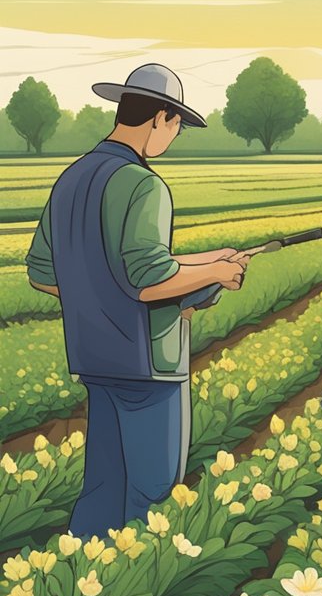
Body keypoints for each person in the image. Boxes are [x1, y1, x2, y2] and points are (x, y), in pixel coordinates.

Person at [24, 63, 250, 537]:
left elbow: (44, 273)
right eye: (177, 126)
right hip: (148, 363)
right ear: (160, 118)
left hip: (94, 356)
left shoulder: (72, 178)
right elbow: (148, 280)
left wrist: (207, 258)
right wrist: (216, 272)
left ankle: (83, 581)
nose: (174, 137)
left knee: (103, 484)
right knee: (153, 491)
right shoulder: (144, 185)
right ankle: (135, 590)